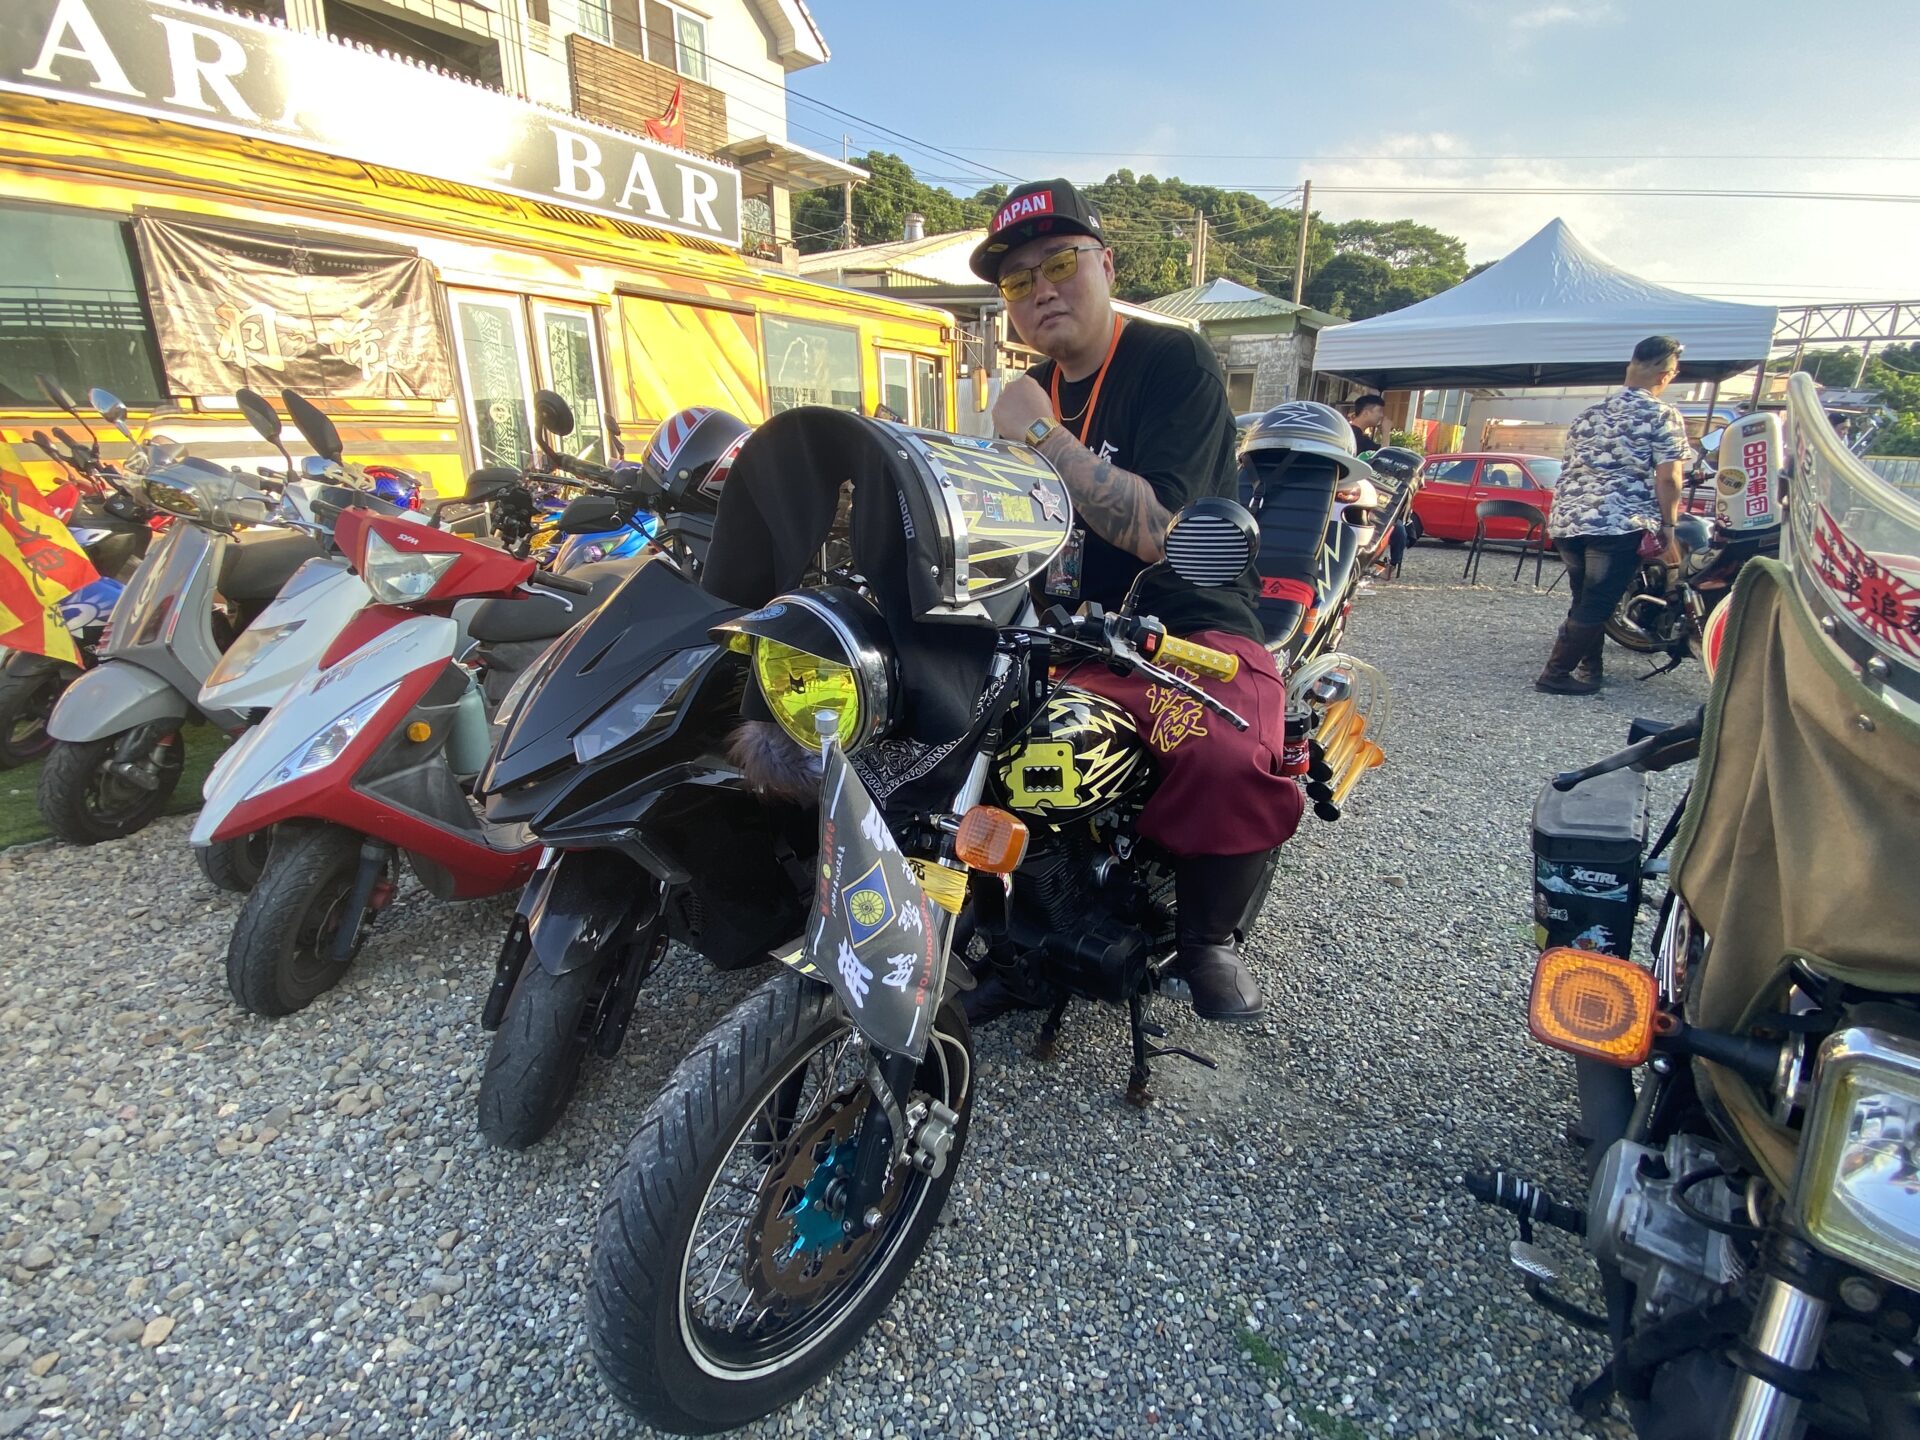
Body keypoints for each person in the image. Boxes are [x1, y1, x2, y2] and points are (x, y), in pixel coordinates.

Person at [969, 178, 1303, 1022]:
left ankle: (1207, 938)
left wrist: (1040, 434)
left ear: (1106, 265)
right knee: (974, 750)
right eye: (1017, 280)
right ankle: (1022, 941)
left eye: (1060, 263)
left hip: (1187, 624)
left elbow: (1159, 530)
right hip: (1066, 633)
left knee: (1226, 753)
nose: (1040, 290)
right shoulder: (1028, 391)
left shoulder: (1170, 361)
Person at [1537, 335, 1689, 694]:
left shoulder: (1588, 414)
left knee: (1585, 600)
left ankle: (1591, 668)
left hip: (1568, 520)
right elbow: (1669, 477)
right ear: (1666, 374)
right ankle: (1555, 674)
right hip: (1618, 522)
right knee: (1598, 602)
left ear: (1630, 365)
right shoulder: (1661, 414)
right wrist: (1668, 524)